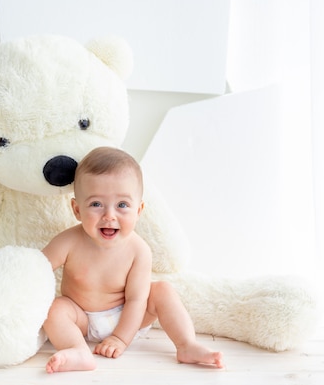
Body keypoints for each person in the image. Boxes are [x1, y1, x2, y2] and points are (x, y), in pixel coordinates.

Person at [41, 146, 224, 373]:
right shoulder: (67, 242)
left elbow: (137, 300)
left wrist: (120, 338)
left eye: (122, 205)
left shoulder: (139, 250)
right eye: (96, 204)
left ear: (139, 210)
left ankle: (186, 344)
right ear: (77, 210)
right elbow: (38, 269)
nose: (110, 215)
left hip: (129, 316)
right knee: (54, 308)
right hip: (82, 318)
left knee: (162, 291)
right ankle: (77, 349)